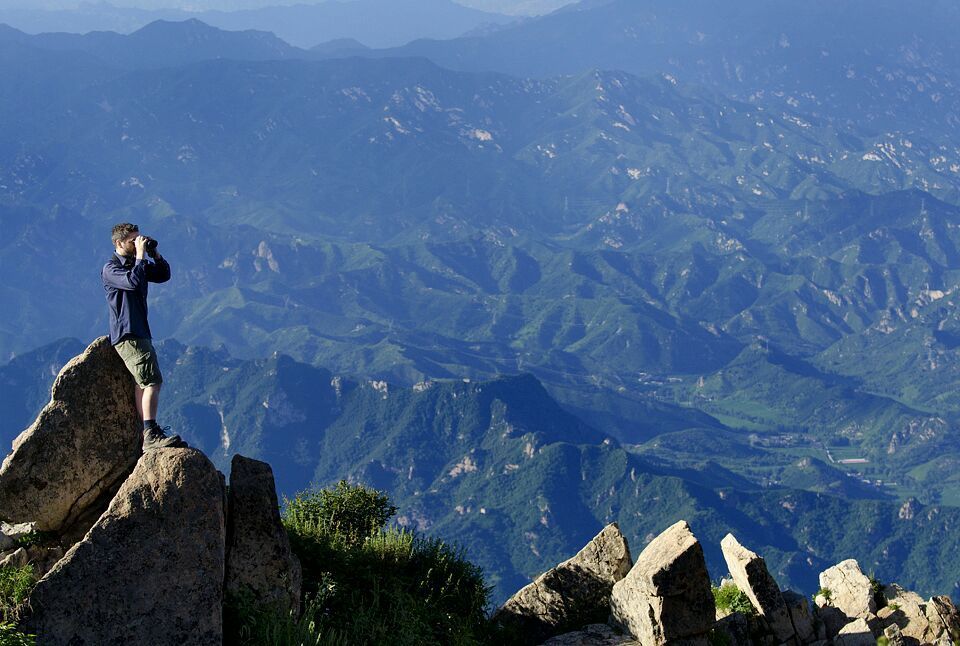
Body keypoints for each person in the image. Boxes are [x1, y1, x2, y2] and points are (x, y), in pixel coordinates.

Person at [102, 222, 187, 451]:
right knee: (152, 381)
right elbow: (133, 282)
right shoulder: (111, 269)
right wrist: (140, 256)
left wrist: (153, 253)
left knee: (143, 383)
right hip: (128, 333)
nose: (137, 242)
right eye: (133, 240)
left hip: (140, 330)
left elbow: (163, 275)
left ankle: (146, 430)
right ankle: (150, 433)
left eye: (139, 238)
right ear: (119, 243)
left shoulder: (134, 264)